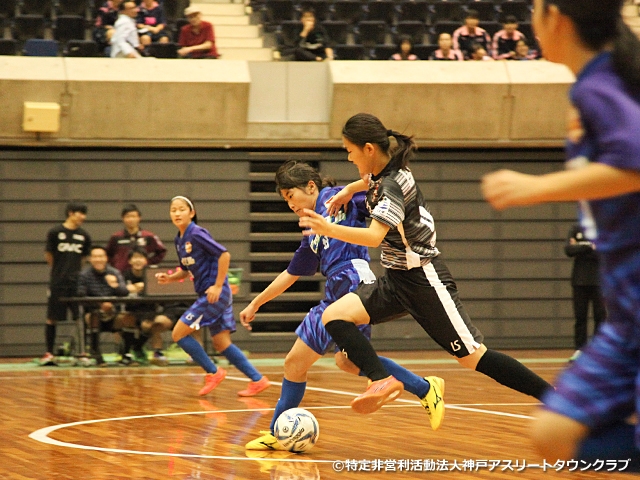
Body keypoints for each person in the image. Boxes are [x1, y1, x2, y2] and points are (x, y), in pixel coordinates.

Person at [298, 112, 552, 415]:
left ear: (368, 149)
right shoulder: (385, 173)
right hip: (396, 280)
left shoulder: (391, 186)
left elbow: (373, 236)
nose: (348, 157)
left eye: (349, 150)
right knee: (335, 315)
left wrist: (327, 228)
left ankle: (556, 399)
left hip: (424, 280)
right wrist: (348, 191)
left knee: (473, 357)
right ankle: (381, 380)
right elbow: (368, 182)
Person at [481, 0, 640, 466]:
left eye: (534, 8)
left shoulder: (600, 87)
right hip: (626, 318)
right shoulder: (600, 83)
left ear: (557, 17)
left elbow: (634, 162)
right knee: (554, 436)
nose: (530, 21)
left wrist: (534, 187)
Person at [241, 161, 445, 450]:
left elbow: (380, 188)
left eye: (290, 196)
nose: (289, 204)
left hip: (354, 281)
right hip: (332, 290)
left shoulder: (338, 199)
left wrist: (352, 189)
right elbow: (291, 273)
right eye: (285, 199)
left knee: (347, 361)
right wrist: (256, 304)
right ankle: (277, 432)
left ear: (311, 186)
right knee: (297, 363)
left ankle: (426, 388)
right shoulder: (313, 232)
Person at [156, 196, 271, 396]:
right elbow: (185, 270)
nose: (176, 213)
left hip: (215, 294)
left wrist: (218, 286)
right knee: (221, 343)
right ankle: (258, 380)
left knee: (178, 333)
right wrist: (169, 278)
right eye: (173, 209)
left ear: (191, 213)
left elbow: (224, 255)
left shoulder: (197, 233)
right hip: (210, 294)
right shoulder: (179, 239)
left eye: (181, 209)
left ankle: (213, 372)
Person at [41, 202, 92, 366]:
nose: (82, 217)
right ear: (71, 213)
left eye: (84, 214)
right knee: (52, 317)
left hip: (76, 283)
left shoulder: (84, 235)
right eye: (80, 213)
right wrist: (59, 271)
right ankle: (49, 353)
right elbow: (49, 256)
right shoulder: (56, 232)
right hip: (58, 282)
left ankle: (81, 352)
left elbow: (84, 258)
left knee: (80, 317)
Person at [77, 245, 130, 366]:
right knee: (93, 317)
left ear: (106, 258)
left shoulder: (115, 272)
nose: (98, 259)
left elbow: (125, 292)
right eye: (95, 257)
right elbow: (80, 295)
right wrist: (99, 304)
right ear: (90, 259)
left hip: (113, 314)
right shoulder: (84, 275)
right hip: (93, 313)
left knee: (127, 318)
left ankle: (125, 354)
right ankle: (96, 354)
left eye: (101, 256)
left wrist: (115, 285)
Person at [121, 247, 173, 365]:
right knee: (125, 319)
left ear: (146, 260)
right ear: (129, 261)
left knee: (150, 325)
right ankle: (126, 352)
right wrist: (129, 289)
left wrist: (145, 286)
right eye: (135, 258)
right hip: (131, 309)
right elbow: (120, 290)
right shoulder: (125, 275)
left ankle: (149, 351)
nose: (138, 261)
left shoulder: (151, 274)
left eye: (141, 257)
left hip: (150, 310)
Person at [564, 223, 606, 362]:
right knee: (580, 317)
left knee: (599, 316)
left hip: (599, 281)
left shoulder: (603, 227)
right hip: (579, 281)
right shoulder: (576, 229)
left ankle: (597, 350)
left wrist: (580, 247)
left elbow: (603, 251)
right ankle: (579, 349)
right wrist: (588, 246)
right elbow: (569, 250)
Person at [106, 204, 167, 273]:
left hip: (143, 274)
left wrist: (148, 262)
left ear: (139, 218)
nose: (131, 219)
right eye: (128, 217)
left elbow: (162, 251)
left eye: (133, 216)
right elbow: (108, 254)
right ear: (123, 218)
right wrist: (116, 264)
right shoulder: (116, 237)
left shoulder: (148, 236)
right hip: (121, 274)